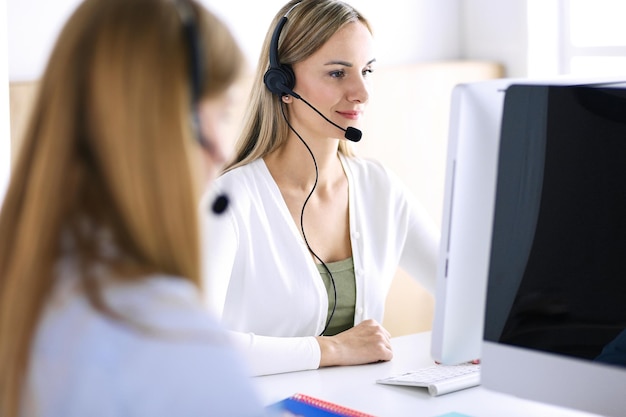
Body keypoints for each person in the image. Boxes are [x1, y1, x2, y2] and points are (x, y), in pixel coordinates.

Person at [0, 0, 267, 416]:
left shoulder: (30, 284)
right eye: (224, 112)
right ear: (179, 125)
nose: (225, 151)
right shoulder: (163, 336)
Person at [202, 0, 439, 376]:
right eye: (337, 73)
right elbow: (196, 346)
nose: (362, 92)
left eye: (367, 70)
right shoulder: (228, 202)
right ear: (281, 82)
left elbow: (459, 286)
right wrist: (332, 349)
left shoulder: (378, 187)